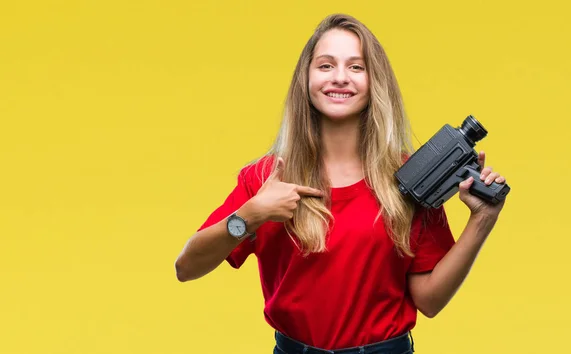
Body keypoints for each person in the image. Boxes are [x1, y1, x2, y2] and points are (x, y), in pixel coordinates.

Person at [175, 13, 508, 354]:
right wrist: (249, 216)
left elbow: (430, 301)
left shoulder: (412, 178)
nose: (339, 78)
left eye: (356, 67)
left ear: (374, 81)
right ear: (305, 79)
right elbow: (186, 267)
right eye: (325, 65)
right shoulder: (266, 179)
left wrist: (482, 220)